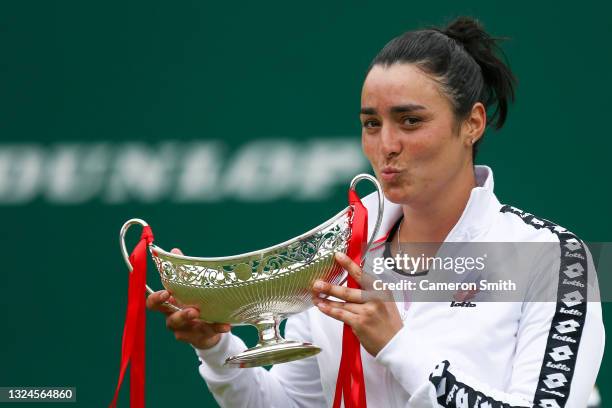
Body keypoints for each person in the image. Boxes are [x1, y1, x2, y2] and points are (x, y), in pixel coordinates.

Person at [146, 17, 605, 407]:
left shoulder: (552, 259)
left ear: (472, 123)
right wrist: (216, 348)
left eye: (411, 121)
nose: (386, 146)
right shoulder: (339, 253)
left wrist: (397, 345)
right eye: (371, 124)